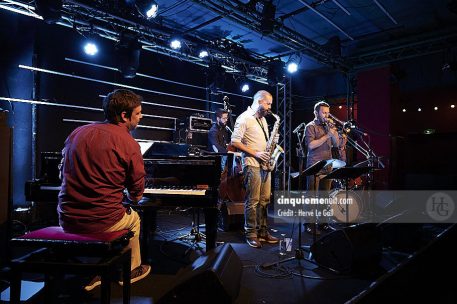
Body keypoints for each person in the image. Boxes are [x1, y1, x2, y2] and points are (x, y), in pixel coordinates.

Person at [57, 89, 150, 291]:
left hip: (67, 219)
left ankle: (94, 268)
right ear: (124, 116)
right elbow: (136, 192)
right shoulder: (129, 143)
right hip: (103, 221)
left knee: (108, 213)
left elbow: (62, 170)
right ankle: (131, 270)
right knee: (134, 218)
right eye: (138, 113)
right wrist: (132, 197)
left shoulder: (77, 132)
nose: (141, 117)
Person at [231, 90, 279, 248]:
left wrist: (272, 142)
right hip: (251, 163)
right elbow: (235, 142)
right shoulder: (244, 118)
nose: (270, 107)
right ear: (259, 101)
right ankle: (251, 233)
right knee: (253, 201)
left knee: (265, 200)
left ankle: (263, 231)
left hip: (265, 164)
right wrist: (256, 153)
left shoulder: (263, 120)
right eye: (268, 103)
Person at [304, 101, 345, 234]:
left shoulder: (328, 126)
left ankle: (323, 223)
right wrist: (326, 135)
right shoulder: (310, 127)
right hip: (315, 165)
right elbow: (311, 145)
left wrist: (333, 133)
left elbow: (336, 145)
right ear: (316, 112)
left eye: (328, 113)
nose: (327, 115)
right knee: (311, 197)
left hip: (327, 165)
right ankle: (309, 224)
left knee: (324, 197)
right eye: (324, 112)